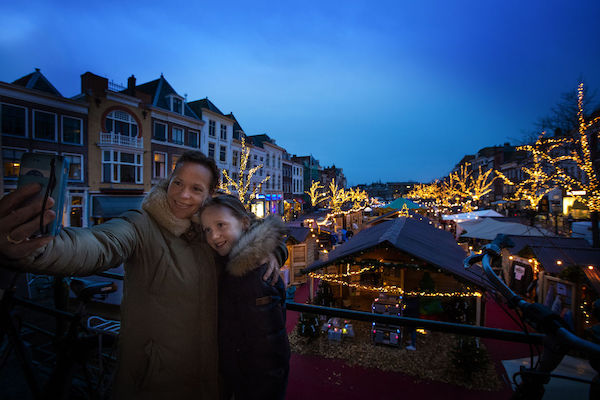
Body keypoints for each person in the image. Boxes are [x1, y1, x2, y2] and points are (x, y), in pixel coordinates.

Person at [0, 151, 284, 399]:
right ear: (168, 183)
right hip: (155, 384)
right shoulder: (141, 225)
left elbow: (252, 231)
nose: (184, 195)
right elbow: (99, 244)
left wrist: (270, 250)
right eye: (178, 183)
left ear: (209, 195)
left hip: (212, 385)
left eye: (196, 189)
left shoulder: (210, 235)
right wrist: (37, 248)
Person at [200, 194, 290, 400]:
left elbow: (270, 354)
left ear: (244, 222)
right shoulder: (231, 262)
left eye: (221, 225)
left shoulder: (255, 276)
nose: (213, 236)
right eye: (207, 230)